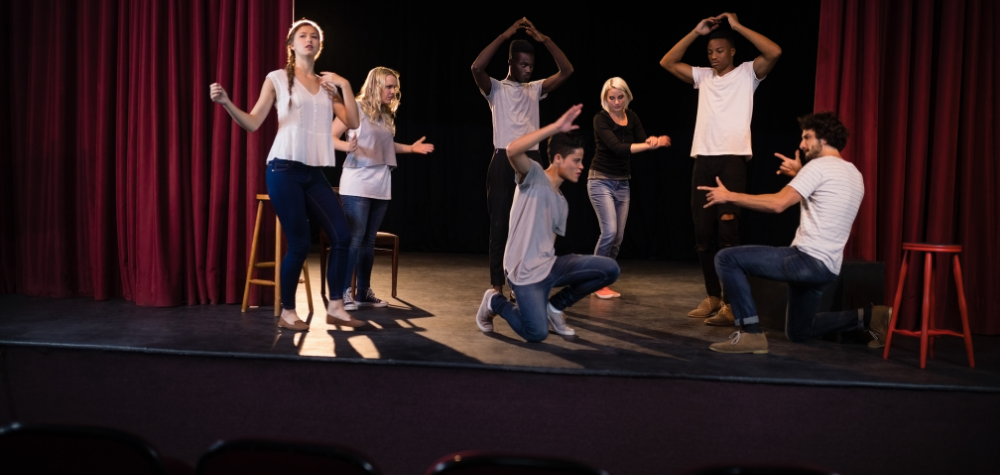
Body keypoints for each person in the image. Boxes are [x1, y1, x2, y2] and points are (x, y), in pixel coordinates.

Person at [209, 19, 365, 331]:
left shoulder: (326, 85)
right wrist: (226, 103)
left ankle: (336, 306)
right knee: (298, 243)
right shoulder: (278, 79)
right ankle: (288, 312)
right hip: (283, 169)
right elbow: (253, 122)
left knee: (342, 236)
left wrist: (345, 85)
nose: (309, 40)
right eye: (302, 36)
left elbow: (353, 119)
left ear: (319, 47)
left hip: (313, 172)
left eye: (314, 37)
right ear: (291, 45)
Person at [696, 112, 891, 354]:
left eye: (807, 137)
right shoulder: (853, 173)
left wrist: (730, 196)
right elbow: (827, 201)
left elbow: (778, 203)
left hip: (806, 260)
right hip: (827, 269)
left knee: (726, 258)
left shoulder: (818, 167)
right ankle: (870, 317)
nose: (801, 144)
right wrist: (801, 174)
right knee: (799, 332)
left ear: (825, 138)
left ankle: (750, 333)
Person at [659, 12, 781, 323]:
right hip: (704, 158)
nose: (713, 56)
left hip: (732, 159)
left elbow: (774, 52)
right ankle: (713, 295)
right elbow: (667, 62)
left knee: (728, 230)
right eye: (710, 51)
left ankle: (730, 303)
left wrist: (738, 26)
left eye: (720, 51)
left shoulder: (746, 74)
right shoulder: (703, 76)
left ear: (732, 52)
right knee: (702, 233)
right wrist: (695, 31)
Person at [475, 104, 620, 342]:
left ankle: (555, 307)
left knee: (609, 269)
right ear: (559, 158)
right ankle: (494, 301)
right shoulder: (533, 175)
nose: (581, 167)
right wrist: (555, 127)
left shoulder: (562, 203)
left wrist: (555, 277)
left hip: (547, 268)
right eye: (577, 160)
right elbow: (512, 150)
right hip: (522, 272)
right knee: (536, 333)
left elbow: (548, 245)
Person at [471, 18, 574, 298]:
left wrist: (545, 40)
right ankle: (497, 286)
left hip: (532, 161)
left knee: (530, 227)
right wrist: (505, 34)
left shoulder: (536, 88)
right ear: (511, 62)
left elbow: (567, 70)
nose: (528, 70)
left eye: (531, 66)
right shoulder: (495, 89)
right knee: (500, 224)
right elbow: (476, 67)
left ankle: (521, 282)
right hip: (504, 159)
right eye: (522, 65)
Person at [331, 67, 433, 310]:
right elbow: (330, 136)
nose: (393, 91)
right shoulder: (354, 107)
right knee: (355, 239)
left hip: (381, 183)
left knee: (368, 241)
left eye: (395, 86)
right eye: (389, 86)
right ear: (375, 86)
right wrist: (347, 147)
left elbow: (384, 146)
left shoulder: (386, 114)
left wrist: (410, 149)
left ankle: (363, 292)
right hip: (357, 181)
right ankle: (343, 291)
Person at [589, 77, 671, 299]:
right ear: (605, 99)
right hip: (600, 181)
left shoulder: (631, 116)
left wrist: (653, 141)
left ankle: (602, 281)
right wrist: (647, 144)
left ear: (627, 96)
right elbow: (617, 148)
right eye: (612, 98)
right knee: (609, 232)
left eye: (620, 97)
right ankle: (593, 281)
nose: (616, 102)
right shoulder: (600, 119)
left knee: (618, 238)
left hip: (622, 183)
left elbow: (642, 140)